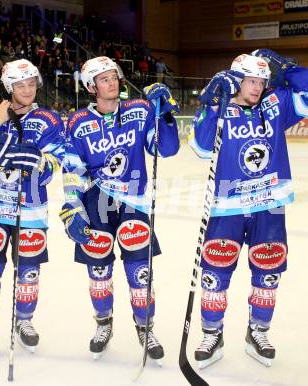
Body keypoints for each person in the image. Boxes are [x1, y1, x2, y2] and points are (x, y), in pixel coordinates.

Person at [188, 49, 308, 368]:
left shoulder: (276, 104)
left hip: (270, 205)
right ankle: (212, 333)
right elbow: (200, 148)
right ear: (236, 80)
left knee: (268, 271)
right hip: (228, 207)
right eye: (251, 80)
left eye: (262, 81)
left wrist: (287, 68)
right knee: (215, 271)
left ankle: (258, 331)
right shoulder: (221, 107)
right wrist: (210, 105)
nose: (257, 87)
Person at [59, 56, 180, 362]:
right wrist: (72, 205)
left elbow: (166, 149)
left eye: (114, 77)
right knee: (99, 272)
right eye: (104, 79)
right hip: (95, 202)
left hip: (134, 203)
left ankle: (145, 326)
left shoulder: (139, 111)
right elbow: (73, 169)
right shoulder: (76, 122)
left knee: (140, 272)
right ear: (91, 87)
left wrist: (164, 114)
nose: (112, 82)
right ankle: (103, 324)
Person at [0, 59, 65, 360]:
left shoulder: (49, 119)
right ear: (9, 87)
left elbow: (57, 164)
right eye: (20, 85)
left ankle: (24, 322)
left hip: (31, 210)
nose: (28, 90)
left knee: (28, 274)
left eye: (32, 84)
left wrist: (40, 163)